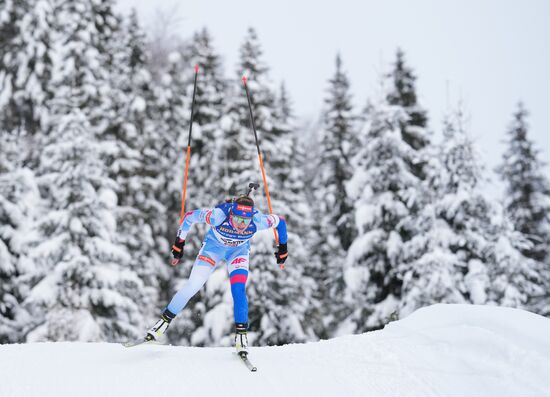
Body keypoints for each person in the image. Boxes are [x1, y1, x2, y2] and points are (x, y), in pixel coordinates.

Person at [142, 192, 288, 356]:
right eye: (238, 219)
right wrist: (178, 246)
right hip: (213, 249)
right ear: (232, 213)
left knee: (238, 290)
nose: (241, 225)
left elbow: (281, 223)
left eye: (246, 221)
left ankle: (241, 337)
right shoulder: (217, 216)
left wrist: (282, 251)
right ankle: (162, 324)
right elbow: (189, 217)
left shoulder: (258, 220)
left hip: (238, 253)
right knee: (193, 285)